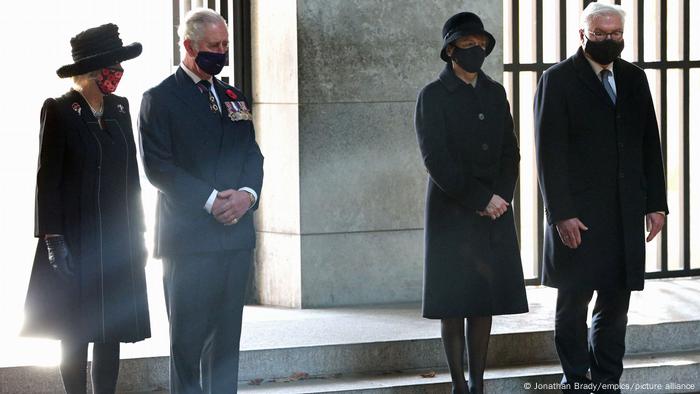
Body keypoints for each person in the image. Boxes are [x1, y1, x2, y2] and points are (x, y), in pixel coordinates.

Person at [534, 3, 667, 393]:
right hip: (578, 216)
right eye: (601, 34)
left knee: (615, 308)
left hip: (625, 214)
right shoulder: (557, 80)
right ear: (582, 35)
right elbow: (548, 153)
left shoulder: (634, 78)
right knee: (573, 305)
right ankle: (575, 379)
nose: (610, 40)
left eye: (616, 34)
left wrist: (656, 203)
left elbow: (648, 144)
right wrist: (560, 214)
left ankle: (608, 381)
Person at [138, 7, 264, 394]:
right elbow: (159, 167)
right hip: (189, 240)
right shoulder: (159, 98)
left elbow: (252, 156)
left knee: (226, 342)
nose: (222, 51)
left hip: (235, 239)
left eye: (226, 44)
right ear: (189, 46)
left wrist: (246, 196)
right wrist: (212, 201)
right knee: (188, 342)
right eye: (214, 45)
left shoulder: (233, 96)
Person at [22, 24, 151, 394]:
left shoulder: (120, 107)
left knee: (111, 329)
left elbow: (131, 178)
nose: (119, 72)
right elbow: (47, 181)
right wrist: (52, 239)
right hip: (75, 239)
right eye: (114, 65)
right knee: (75, 330)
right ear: (94, 71)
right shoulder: (60, 110)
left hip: (116, 238)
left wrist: (140, 232)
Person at [415, 12, 529, 394]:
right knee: (454, 300)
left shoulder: (495, 92)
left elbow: (510, 151)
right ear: (450, 51)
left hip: (494, 209)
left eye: (482, 46)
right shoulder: (432, 95)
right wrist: (480, 198)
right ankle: (458, 383)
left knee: (483, 298)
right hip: (452, 210)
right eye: (468, 46)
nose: (477, 52)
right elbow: (435, 159)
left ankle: (478, 382)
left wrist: (501, 197)